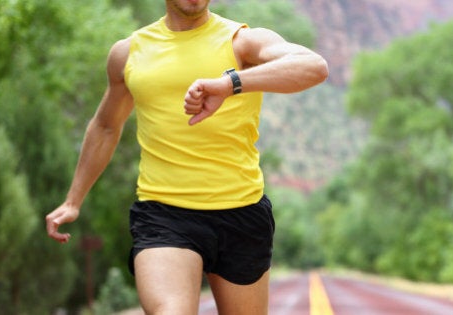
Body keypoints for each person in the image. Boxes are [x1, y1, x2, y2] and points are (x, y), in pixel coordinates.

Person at [45, 0, 328, 314]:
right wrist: (73, 200)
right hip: (164, 213)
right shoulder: (129, 53)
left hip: (241, 210)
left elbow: (314, 67)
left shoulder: (242, 41)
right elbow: (106, 126)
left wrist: (230, 83)